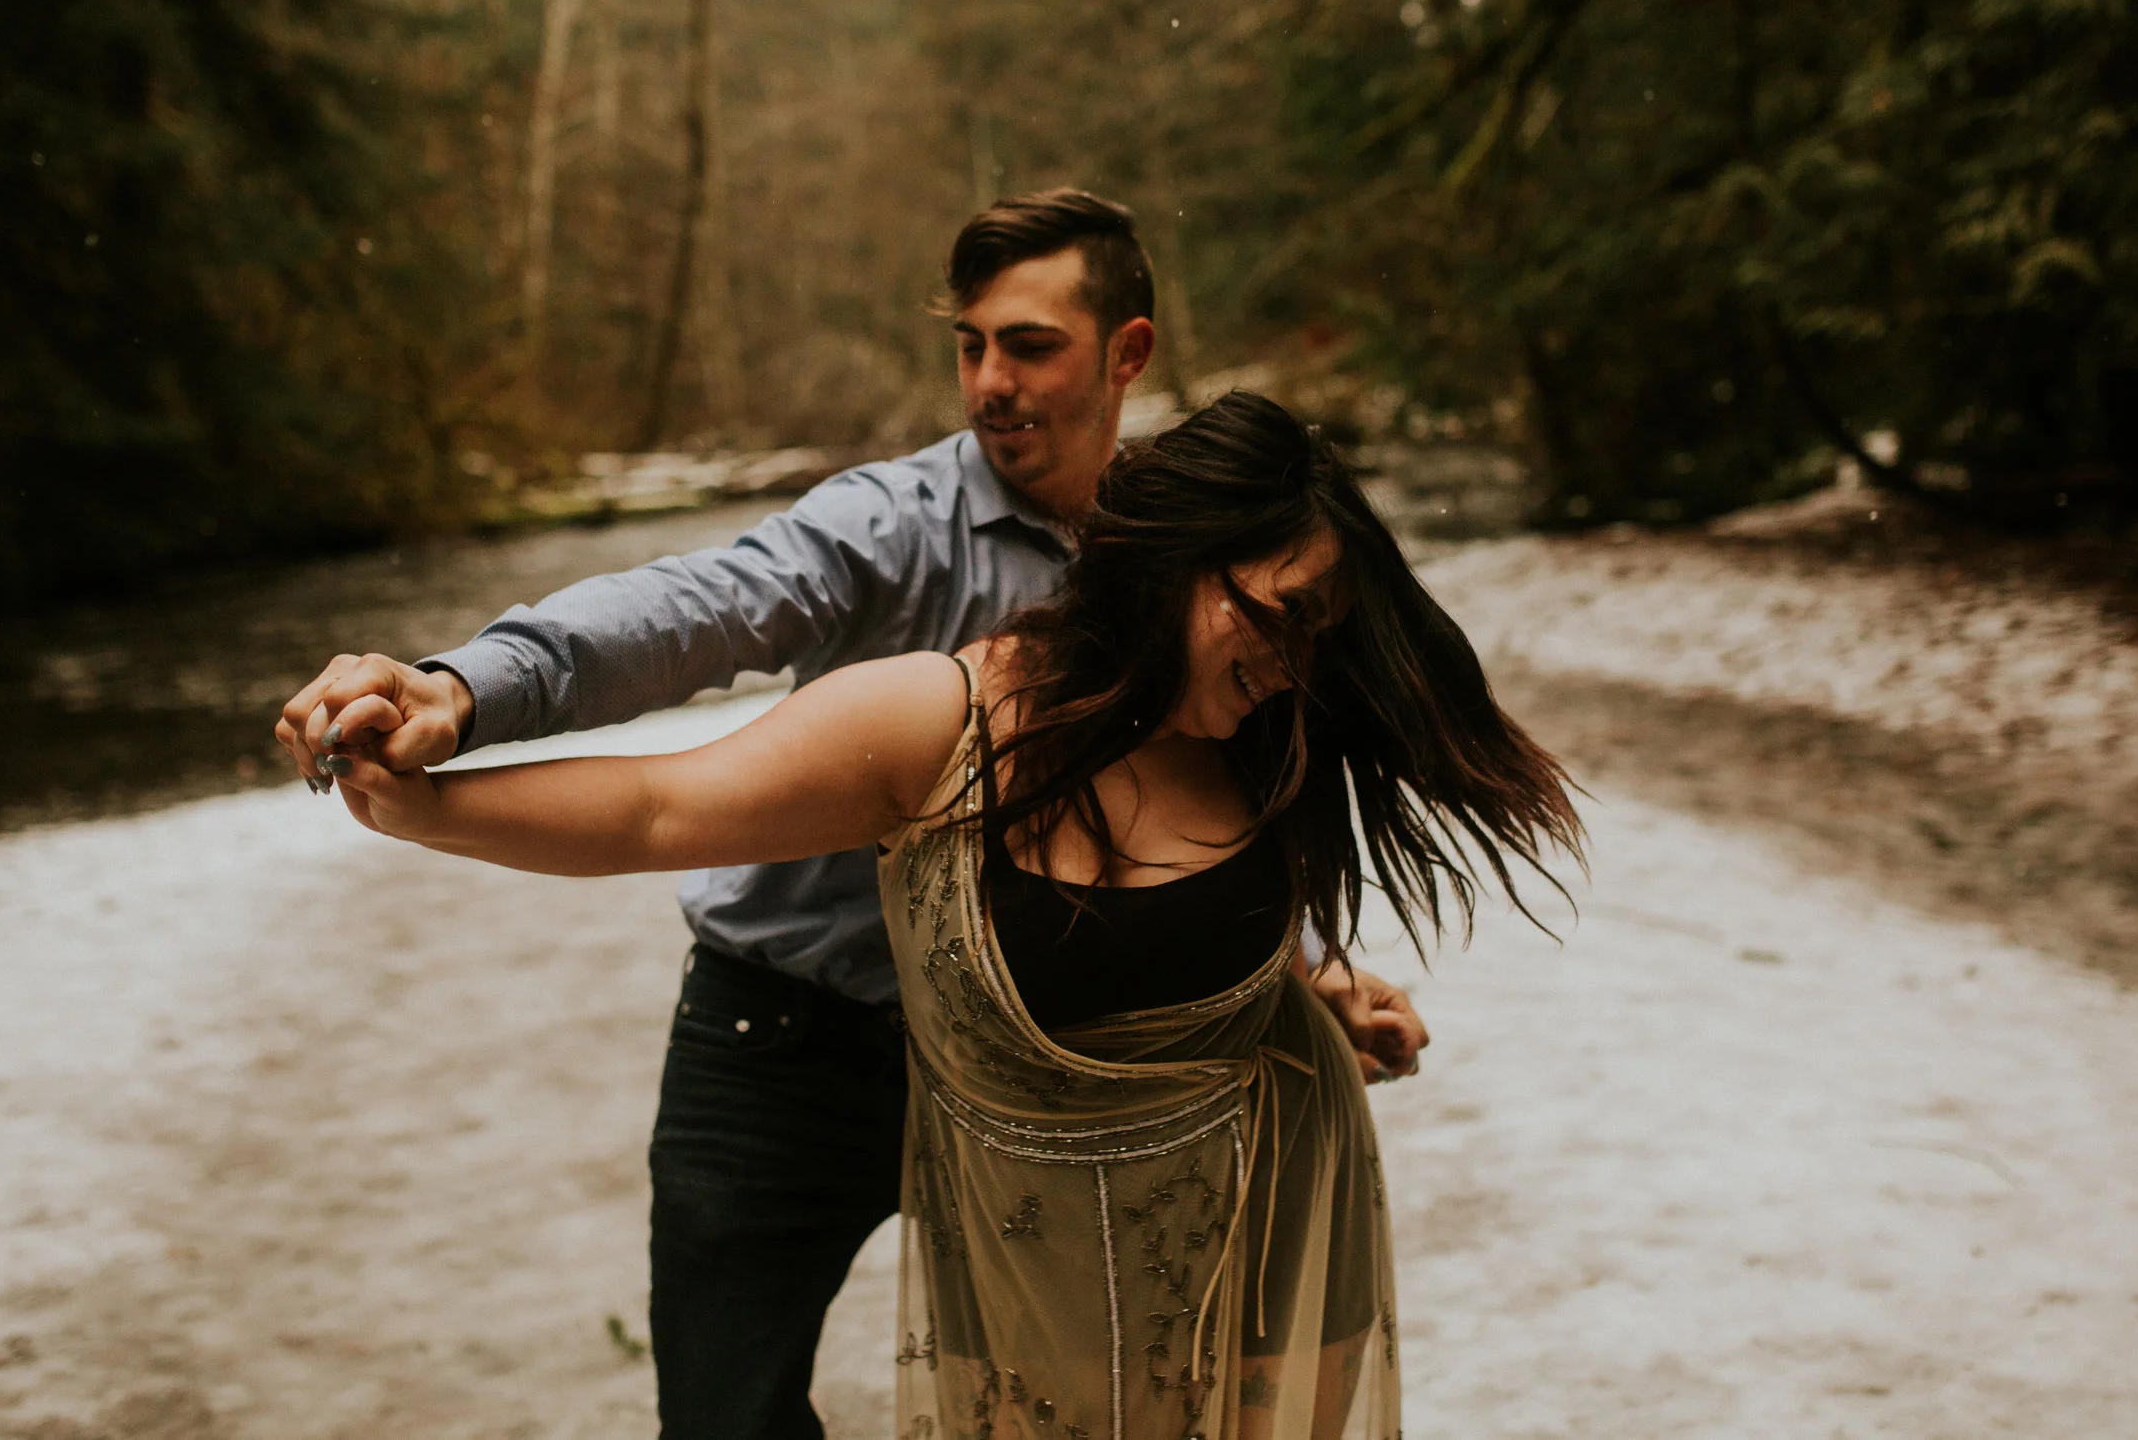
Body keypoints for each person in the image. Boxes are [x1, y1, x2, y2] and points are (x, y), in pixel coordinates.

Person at [271, 190, 1434, 1438]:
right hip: (785, 1033)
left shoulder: (1214, 552)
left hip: (1039, 1068)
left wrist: (1304, 966)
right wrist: (462, 688)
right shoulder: (891, 525)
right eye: (969, 343)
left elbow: (1207, 801)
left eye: (1030, 344)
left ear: (1127, 352)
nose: (990, 380)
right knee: (726, 1417)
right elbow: (697, 609)